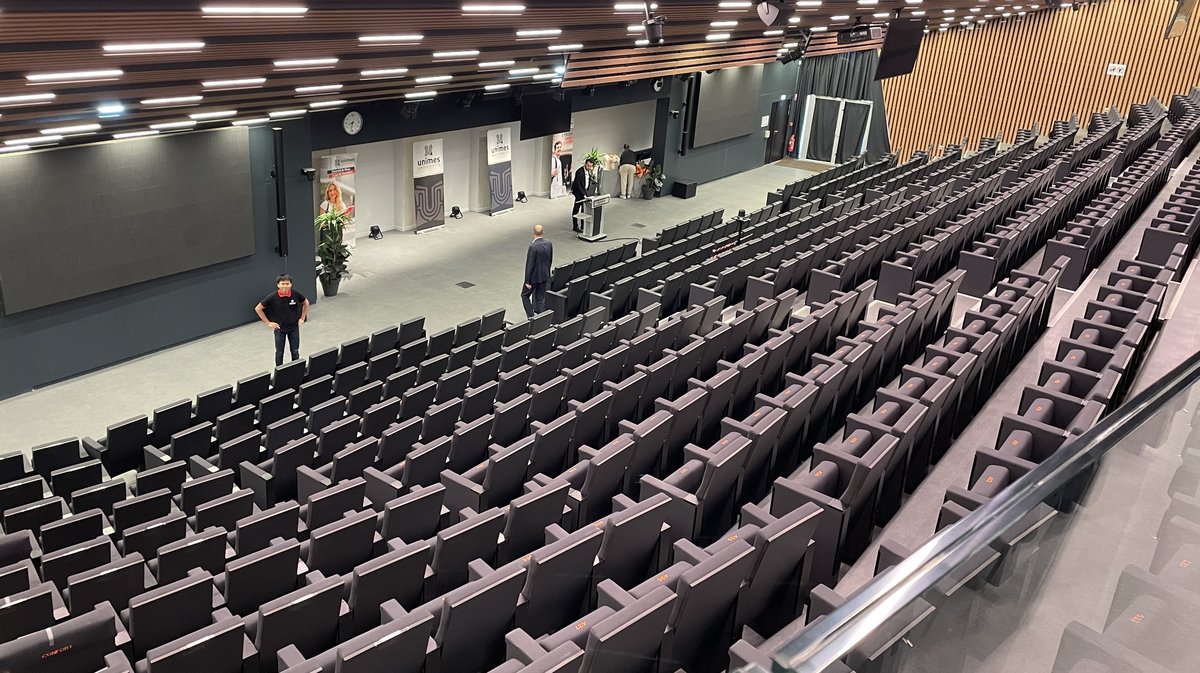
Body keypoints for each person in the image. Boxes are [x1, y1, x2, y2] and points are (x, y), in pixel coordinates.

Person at [255, 274, 309, 367]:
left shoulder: (295, 294)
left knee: (295, 352)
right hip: (279, 329)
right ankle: (279, 372)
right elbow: (258, 308)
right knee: (279, 353)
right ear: (278, 285)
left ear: (291, 284)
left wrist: (302, 318)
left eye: (287, 284)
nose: (285, 286)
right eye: (282, 284)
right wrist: (268, 323)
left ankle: (296, 369)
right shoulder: (272, 297)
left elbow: (306, 302)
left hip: (294, 328)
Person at [522, 224, 553, 318]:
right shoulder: (549, 243)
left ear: (533, 232)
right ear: (543, 232)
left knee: (524, 296)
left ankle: (531, 317)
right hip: (544, 276)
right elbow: (550, 259)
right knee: (540, 298)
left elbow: (530, 265)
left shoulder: (533, 247)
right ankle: (542, 319)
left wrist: (527, 281)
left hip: (533, 278)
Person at [571, 158, 594, 232]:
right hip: (578, 193)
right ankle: (575, 226)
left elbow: (587, 183)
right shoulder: (579, 172)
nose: (589, 168)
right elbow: (578, 185)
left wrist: (586, 194)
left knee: (584, 210)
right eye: (588, 166)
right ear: (585, 164)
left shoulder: (589, 171)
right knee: (576, 209)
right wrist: (583, 195)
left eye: (590, 166)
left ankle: (583, 225)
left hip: (584, 192)